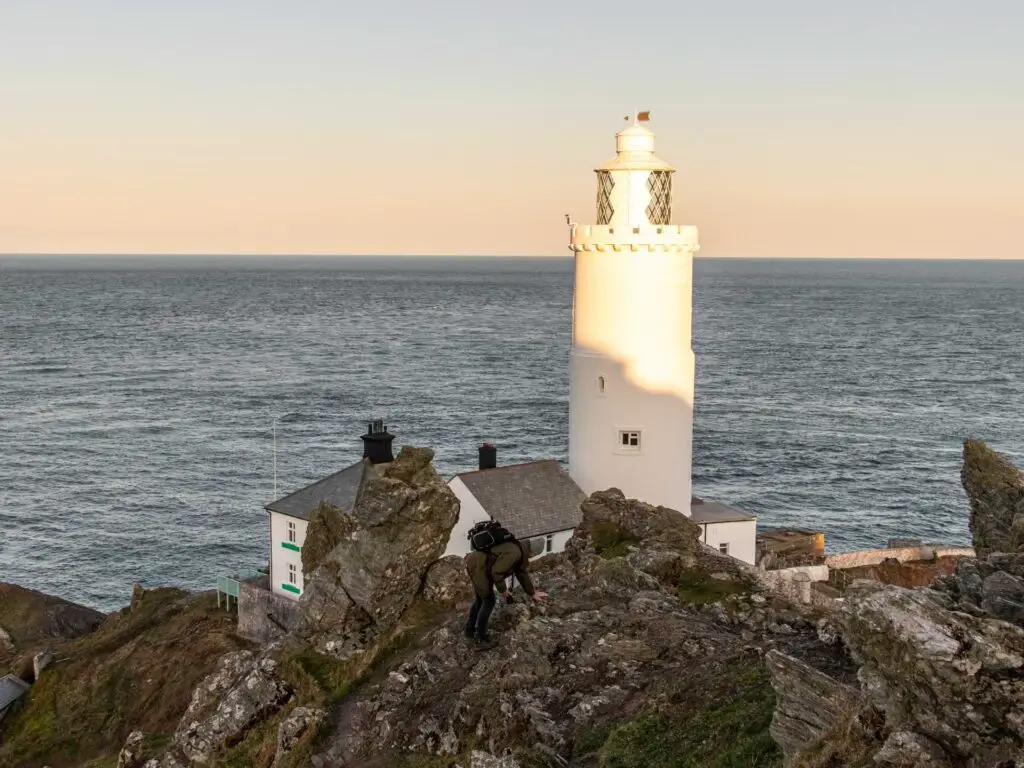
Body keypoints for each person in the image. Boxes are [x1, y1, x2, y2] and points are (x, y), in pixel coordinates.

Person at [464, 520, 548, 650]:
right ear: (533, 552)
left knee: (480, 599)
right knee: (488, 600)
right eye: (534, 555)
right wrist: (503, 590)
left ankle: (470, 630)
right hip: (478, 568)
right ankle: (481, 639)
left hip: (477, 564)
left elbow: (521, 573)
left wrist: (532, 592)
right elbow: (496, 571)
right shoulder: (515, 552)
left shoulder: (518, 548)